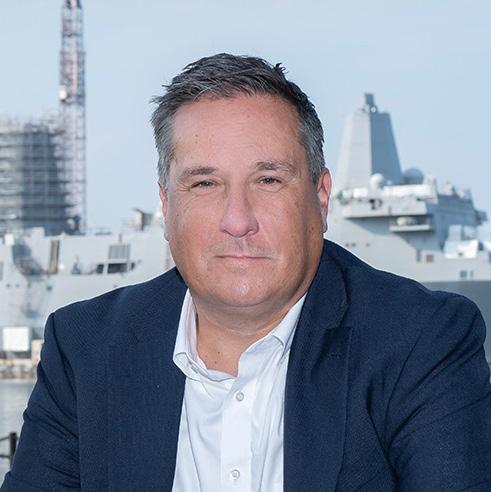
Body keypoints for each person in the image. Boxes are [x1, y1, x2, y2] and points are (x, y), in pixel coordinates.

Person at [2, 53, 490, 492]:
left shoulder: (422, 341)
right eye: (205, 183)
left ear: (321, 198)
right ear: (166, 206)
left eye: (269, 179)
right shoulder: (84, 348)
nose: (237, 220)